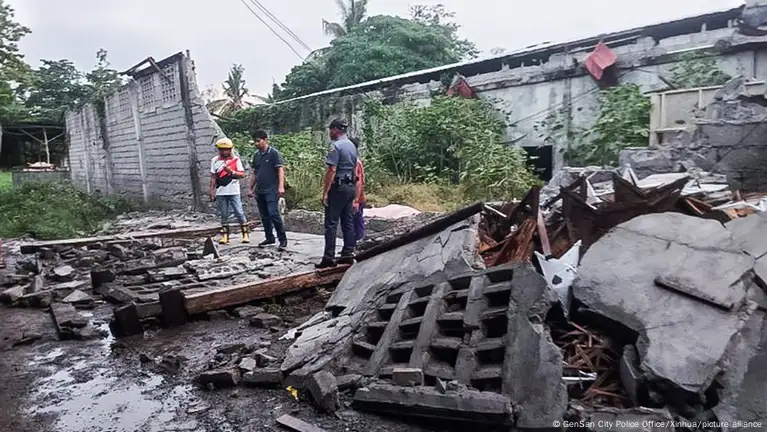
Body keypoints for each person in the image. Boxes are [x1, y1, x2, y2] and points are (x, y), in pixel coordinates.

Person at [316, 118, 358, 268]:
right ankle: (348, 253)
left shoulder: (336, 146)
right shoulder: (352, 145)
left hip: (338, 187)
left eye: (330, 130)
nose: (330, 133)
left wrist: (325, 192)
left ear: (335, 130)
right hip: (351, 186)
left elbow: (331, 170)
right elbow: (355, 169)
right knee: (347, 221)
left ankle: (328, 258)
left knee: (331, 223)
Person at [248, 130, 288, 249]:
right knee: (264, 216)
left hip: (271, 189)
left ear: (265, 140)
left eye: (258, 141)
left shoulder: (274, 153)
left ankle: (282, 239)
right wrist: (251, 188)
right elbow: (255, 173)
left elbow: (280, 169)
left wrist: (281, 186)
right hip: (260, 190)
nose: (256, 143)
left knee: (273, 214)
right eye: (254, 141)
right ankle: (269, 237)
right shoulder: (257, 155)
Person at [209, 137, 248, 245]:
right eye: (221, 149)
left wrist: (231, 172)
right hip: (221, 192)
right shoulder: (215, 160)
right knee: (224, 214)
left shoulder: (236, 160)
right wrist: (211, 191)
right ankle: (225, 236)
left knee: (239, 212)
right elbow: (213, 177)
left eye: (226, 149)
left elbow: (242, 174)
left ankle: (245, 233)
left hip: (234, 191)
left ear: (230, 149)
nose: (223, 151)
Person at [350, 137, 366, 242]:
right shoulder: (353, 160)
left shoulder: (355, 162)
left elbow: (358, 182)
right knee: (352, 223)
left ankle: (358, 244)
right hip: (354, 198)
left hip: (357, 198)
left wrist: (355, 200)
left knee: (356, 223)